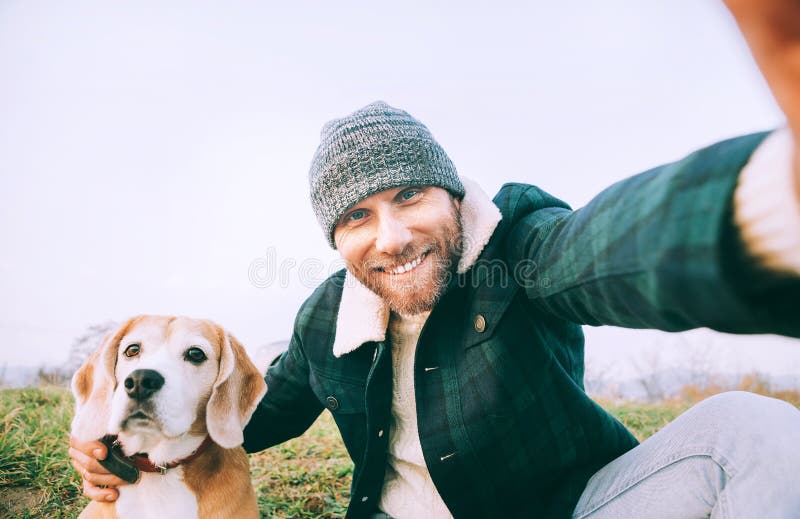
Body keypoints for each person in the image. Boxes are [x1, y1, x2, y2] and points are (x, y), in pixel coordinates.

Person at [71, 1, 800, 517]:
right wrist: (111, 440)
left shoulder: (518, 247)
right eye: (356, 216)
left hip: (575, 508)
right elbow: (242, 416)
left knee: (747, 427)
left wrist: (764, 207)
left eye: (410, 194)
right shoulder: (326, 317)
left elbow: (605, 250)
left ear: (452, 194)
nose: (388, 236)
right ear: (336, 238)